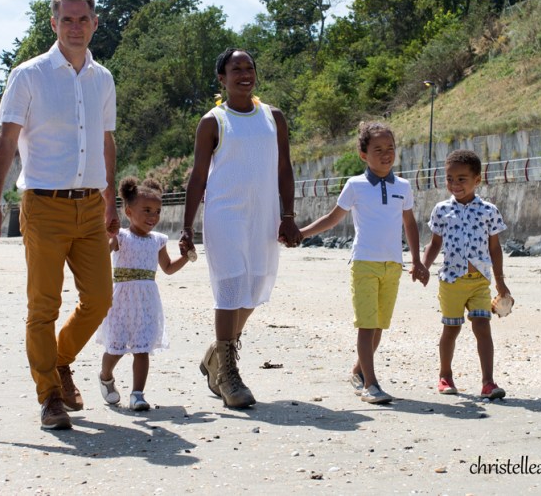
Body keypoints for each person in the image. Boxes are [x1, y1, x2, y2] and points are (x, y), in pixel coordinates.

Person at [0, 0, 120, 430]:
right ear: (54, 24)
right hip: (43, 205)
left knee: (100, 299)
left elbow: (106, 140)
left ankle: (60, 361)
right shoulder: (29, 75)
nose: (75, 27)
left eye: (83, 19)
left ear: (95, 24)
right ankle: (49, 397)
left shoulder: (103, 79)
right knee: (43, 306)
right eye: (67, 19)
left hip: (91, 206)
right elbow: (5, 140)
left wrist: (110, 200)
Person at [179, 48, 302, 409]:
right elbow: (198, 177)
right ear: (222, 78)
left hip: (263, 216)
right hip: (225, 215)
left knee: (254, 289)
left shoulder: (273, 117)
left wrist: (289, 215)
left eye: (249, 68)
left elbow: (284, 168)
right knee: (230, 288)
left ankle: (215, 354)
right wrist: (186, 228)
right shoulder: (213, 121)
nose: (244, 74)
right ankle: (228, 375)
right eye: (236, 69)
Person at [299, 122, 429, 404]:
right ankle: (371, 384)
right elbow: (332, 218)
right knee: (367, 326)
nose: (386, 154)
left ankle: (358, 371)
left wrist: (417, 260)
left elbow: (409, 223)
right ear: (363, 154)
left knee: (379, 325)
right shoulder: (355, 185)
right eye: (378, 149)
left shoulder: (403, 186)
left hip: (393, 265)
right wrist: (301, 233)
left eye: (390, 148)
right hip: (364, 263)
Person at [420, 149, 511, 400]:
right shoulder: (441, 210)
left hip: (480, 281)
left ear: (477, 180)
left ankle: (488, 383)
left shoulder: (488, 211)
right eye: (450, 178)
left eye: (462, 179)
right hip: (451, 281)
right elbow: (434, 244)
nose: (455, 184)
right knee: (451, 329)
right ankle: (445, 376)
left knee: (483, 328)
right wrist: (424, 265)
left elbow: (495, 248)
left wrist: (500, 283)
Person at [96, 177, 189, 411]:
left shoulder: (158, 240)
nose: (153, 216)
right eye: (146, 210)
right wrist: (108, 234)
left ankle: (137, 394)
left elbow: (168, 268)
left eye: (157, 211)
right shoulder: (120, 237)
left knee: (142, 349)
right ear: (128, 212)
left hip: (147, 302)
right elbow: (102, 254)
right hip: (120, 301)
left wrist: (186, 257)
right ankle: (105, 376)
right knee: (115, 348)